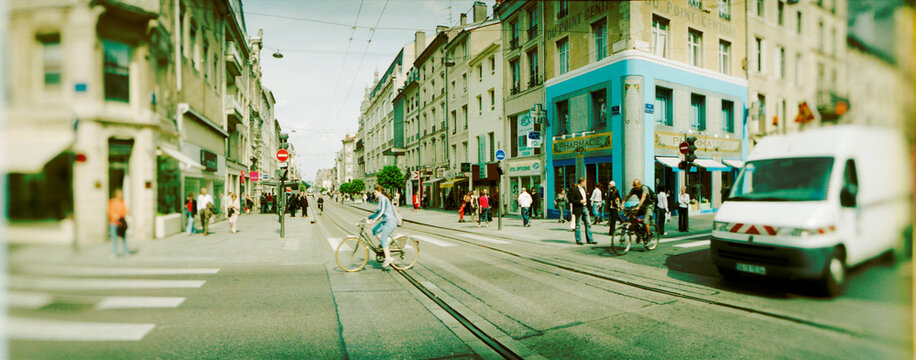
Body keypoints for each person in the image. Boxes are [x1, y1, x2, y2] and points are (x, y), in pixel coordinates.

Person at [365, 185, 399, 268]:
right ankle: (385, 243)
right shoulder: (380, 199)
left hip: (390, 222)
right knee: (375, 230)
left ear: (379, 192)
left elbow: (382, 211)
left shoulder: (383, 198)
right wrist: (368, 217)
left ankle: (388, 258)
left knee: (383, 239)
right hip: (385, 221)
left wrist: (373, 220)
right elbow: (378, 212)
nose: (374, 194)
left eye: (375, 192)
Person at [568, 177, 596, 245]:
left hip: (585, 207)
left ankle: (590, 239)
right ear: (582, 182)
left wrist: (588, 207)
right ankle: (579, 240)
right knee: (578, 225)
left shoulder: (584, 189)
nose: (585, 183)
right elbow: (571, 199)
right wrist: (579, 201)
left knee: (588, 223)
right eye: (585, 182)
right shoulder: (574, 189)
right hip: (578, 208)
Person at [108, 189, 130, 256]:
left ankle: (125, 251)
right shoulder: (111, 201)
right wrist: (115, 216)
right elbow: (110, 211)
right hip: (113, 223)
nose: (121, 195)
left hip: (121, 223)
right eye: (120, 193)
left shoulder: (122, 202)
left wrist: (120, 215)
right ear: (116, 194)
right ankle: (114, 252)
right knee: (114, 238)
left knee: (124, 238)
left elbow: (125, 211)